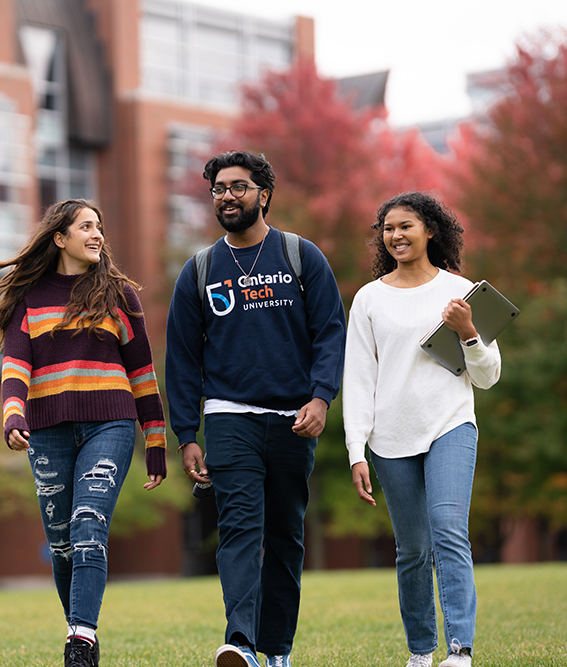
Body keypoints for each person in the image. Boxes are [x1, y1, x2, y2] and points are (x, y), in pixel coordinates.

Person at [166, 151, 347, 667]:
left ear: (263, 194)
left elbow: (331, 331)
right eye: (219, 188)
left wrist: (321, 396)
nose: (227, 196)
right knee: (241, 527)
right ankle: (240, 642)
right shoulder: (199, 269)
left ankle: (277, 651)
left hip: (293, 418)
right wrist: (187, 432)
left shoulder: (300, 255)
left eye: (239, 187)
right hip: (228, 417)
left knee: (286, 537)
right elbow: (181, 357)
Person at [0, 199, 167, 667]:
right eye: (86, 227)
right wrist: (12, 414)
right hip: (47, 431)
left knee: (88, 525)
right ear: (60, 238)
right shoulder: (31, 298)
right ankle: (80, 629)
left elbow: (142, 371)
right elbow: (16, 362)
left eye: (99, 226)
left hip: (110, 423)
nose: (97, 234)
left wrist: (156, 440)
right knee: (61, 544)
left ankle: (80, 640)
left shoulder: (120, 295)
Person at [343, 192, 502, 667]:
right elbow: (358, 379)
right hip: (391, 438)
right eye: (388, 228)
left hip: (450, 424)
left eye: (405, 226)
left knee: (449, 530)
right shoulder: (370, 298)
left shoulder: (460, 290)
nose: (395, 235)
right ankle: (420, 650)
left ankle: (460, 650)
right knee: (413, 549)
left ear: (430, 230)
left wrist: (469, 330)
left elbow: (488, 375)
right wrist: (356, 450)